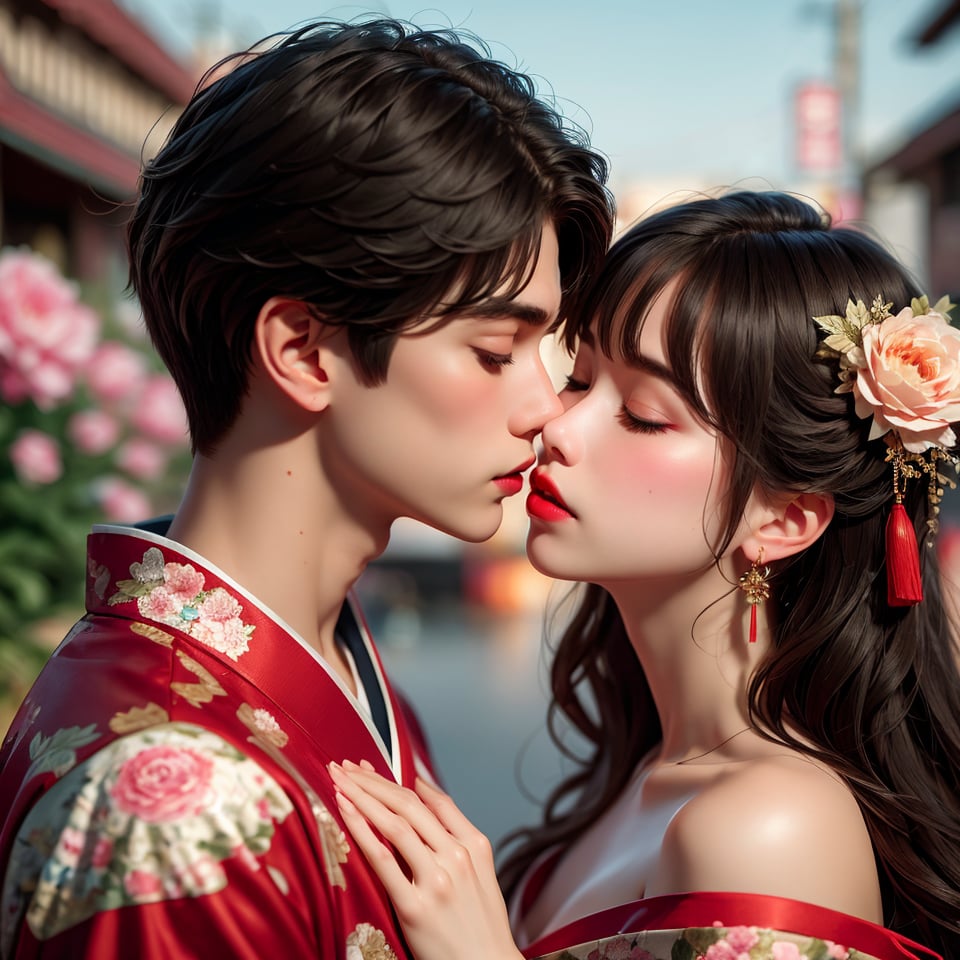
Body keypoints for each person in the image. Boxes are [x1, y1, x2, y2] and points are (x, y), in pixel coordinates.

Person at [0, 18, 614, 959]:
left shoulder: (335, 666)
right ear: (302, 348)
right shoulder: (174, 809)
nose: (546, 408)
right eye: (495, 351)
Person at [329, 190, 960, 960]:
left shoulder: (772, 825)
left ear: (785, 518)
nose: (556, 428)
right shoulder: (651, 767)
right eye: (580, 376)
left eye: (642, 413)